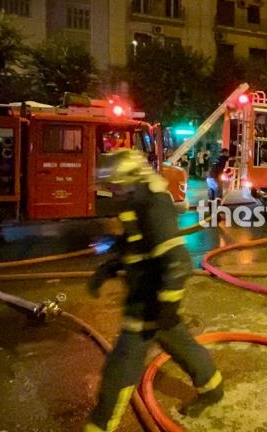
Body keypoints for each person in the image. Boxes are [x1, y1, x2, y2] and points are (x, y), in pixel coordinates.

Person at [84, 150, 223, 432]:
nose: (112, 192)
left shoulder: (152, 204)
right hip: (150, 296)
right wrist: (110, 267)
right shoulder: (135, 200)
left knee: (119, 368)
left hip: (149, 301)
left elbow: (178, 262)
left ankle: (100, 425)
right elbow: (137, 244)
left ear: (131, 178)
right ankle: (213, 388)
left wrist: (167, 305)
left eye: (115, 185)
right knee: (180, 344)